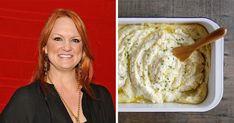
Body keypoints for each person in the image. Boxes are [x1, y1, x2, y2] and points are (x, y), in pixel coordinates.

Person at [0, 9, 115, 123]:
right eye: (58, 39)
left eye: (75, 40)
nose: (67, 47)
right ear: (44, 47)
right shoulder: (26, 100)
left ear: (83, 50)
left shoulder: (101, 97)